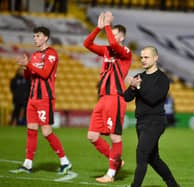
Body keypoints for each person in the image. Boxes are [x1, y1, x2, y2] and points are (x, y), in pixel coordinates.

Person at [9, 26, 72, 175]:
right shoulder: (35, 55)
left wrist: (28, 64)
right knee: (31, 130)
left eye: (37, 36)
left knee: (46, 132)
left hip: (45, 98)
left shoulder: (51, 54)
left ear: (45, 38)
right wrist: (25, 68)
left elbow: (44, 74)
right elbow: (28, 77)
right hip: (32, 98)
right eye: (34, 36)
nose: (35, 38)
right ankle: (28, 164)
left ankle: (65, 161)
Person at [83, 11, 132, 183]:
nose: (112, 36)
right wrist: (98, 28)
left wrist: (108, 26)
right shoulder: (106, 51)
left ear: (122, 37)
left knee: (115, 137)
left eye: (116, 34)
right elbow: (87, 43)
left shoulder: (125, 52)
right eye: (112, 33)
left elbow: (112, 41)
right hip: (103, 98)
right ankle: (116, 160)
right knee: (92, 136)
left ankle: (110, 174)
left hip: (115, 98)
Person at [124, 46, 180, 187]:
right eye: (141, 57)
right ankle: (173, 184)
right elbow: (126, 98)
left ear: (156, 58)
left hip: (155, 122)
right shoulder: (139, 77)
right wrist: (132, 87)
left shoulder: (162, 79)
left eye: (146, 57)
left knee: (142, 153)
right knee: (153, 158)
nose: (143, 60)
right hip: (141, 122)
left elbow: (153, 98)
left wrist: (138, 87)